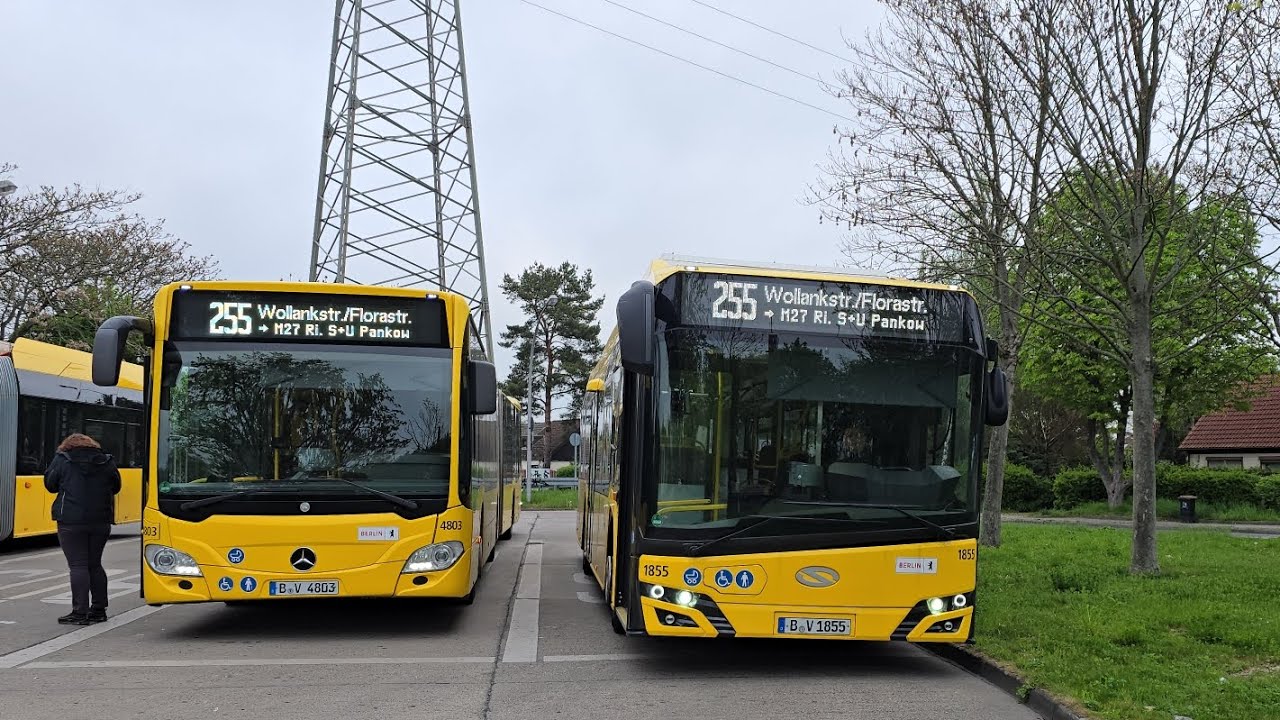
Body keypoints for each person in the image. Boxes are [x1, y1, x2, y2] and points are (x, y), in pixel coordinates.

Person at [44, 433, 121, 625]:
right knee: (95, 564)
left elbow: (50, 485)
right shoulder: (106, 461)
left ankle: (80, 612)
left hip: (71, 521)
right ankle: (98, 610)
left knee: (78, 565)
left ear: (66, 446)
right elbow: (117, 486)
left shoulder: (62, 459)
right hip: (100, 520)